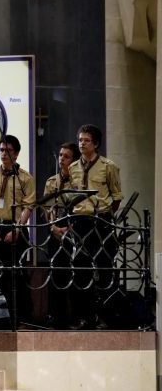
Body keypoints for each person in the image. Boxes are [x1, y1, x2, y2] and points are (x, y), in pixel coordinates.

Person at [68, 124, 123, 329]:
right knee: (80, 269)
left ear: (96, 144)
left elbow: (116, 197)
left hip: (101, 221)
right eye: (80, 140)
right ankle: (85, 317)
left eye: (87, 140)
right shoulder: (73, 167)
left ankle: (106, 317)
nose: (82, 144)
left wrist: (105, 215)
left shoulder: (108, 166)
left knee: (105, 267)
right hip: (80, 222)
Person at [0, 134, 36, 325]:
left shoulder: (25, 178)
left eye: (8, 151)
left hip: (16, 228)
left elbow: (28, 206)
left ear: (17, 154)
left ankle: (22, 318)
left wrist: (18, 229)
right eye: (2, 150)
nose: (4, 154)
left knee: (17, 274)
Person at [42, 142, 80, 329]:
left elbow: (82, 207)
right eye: (60, 155)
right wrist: (53, 227)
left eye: (66, 156)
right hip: (55, 232)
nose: (62, 159)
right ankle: (56, 318)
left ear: (74, 160)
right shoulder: (51, 181)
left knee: (75, 274)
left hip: (74, 231)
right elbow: (46, 208)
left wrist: (70, 228)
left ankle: (76, 317)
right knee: (55, 274)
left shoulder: (78, 181)